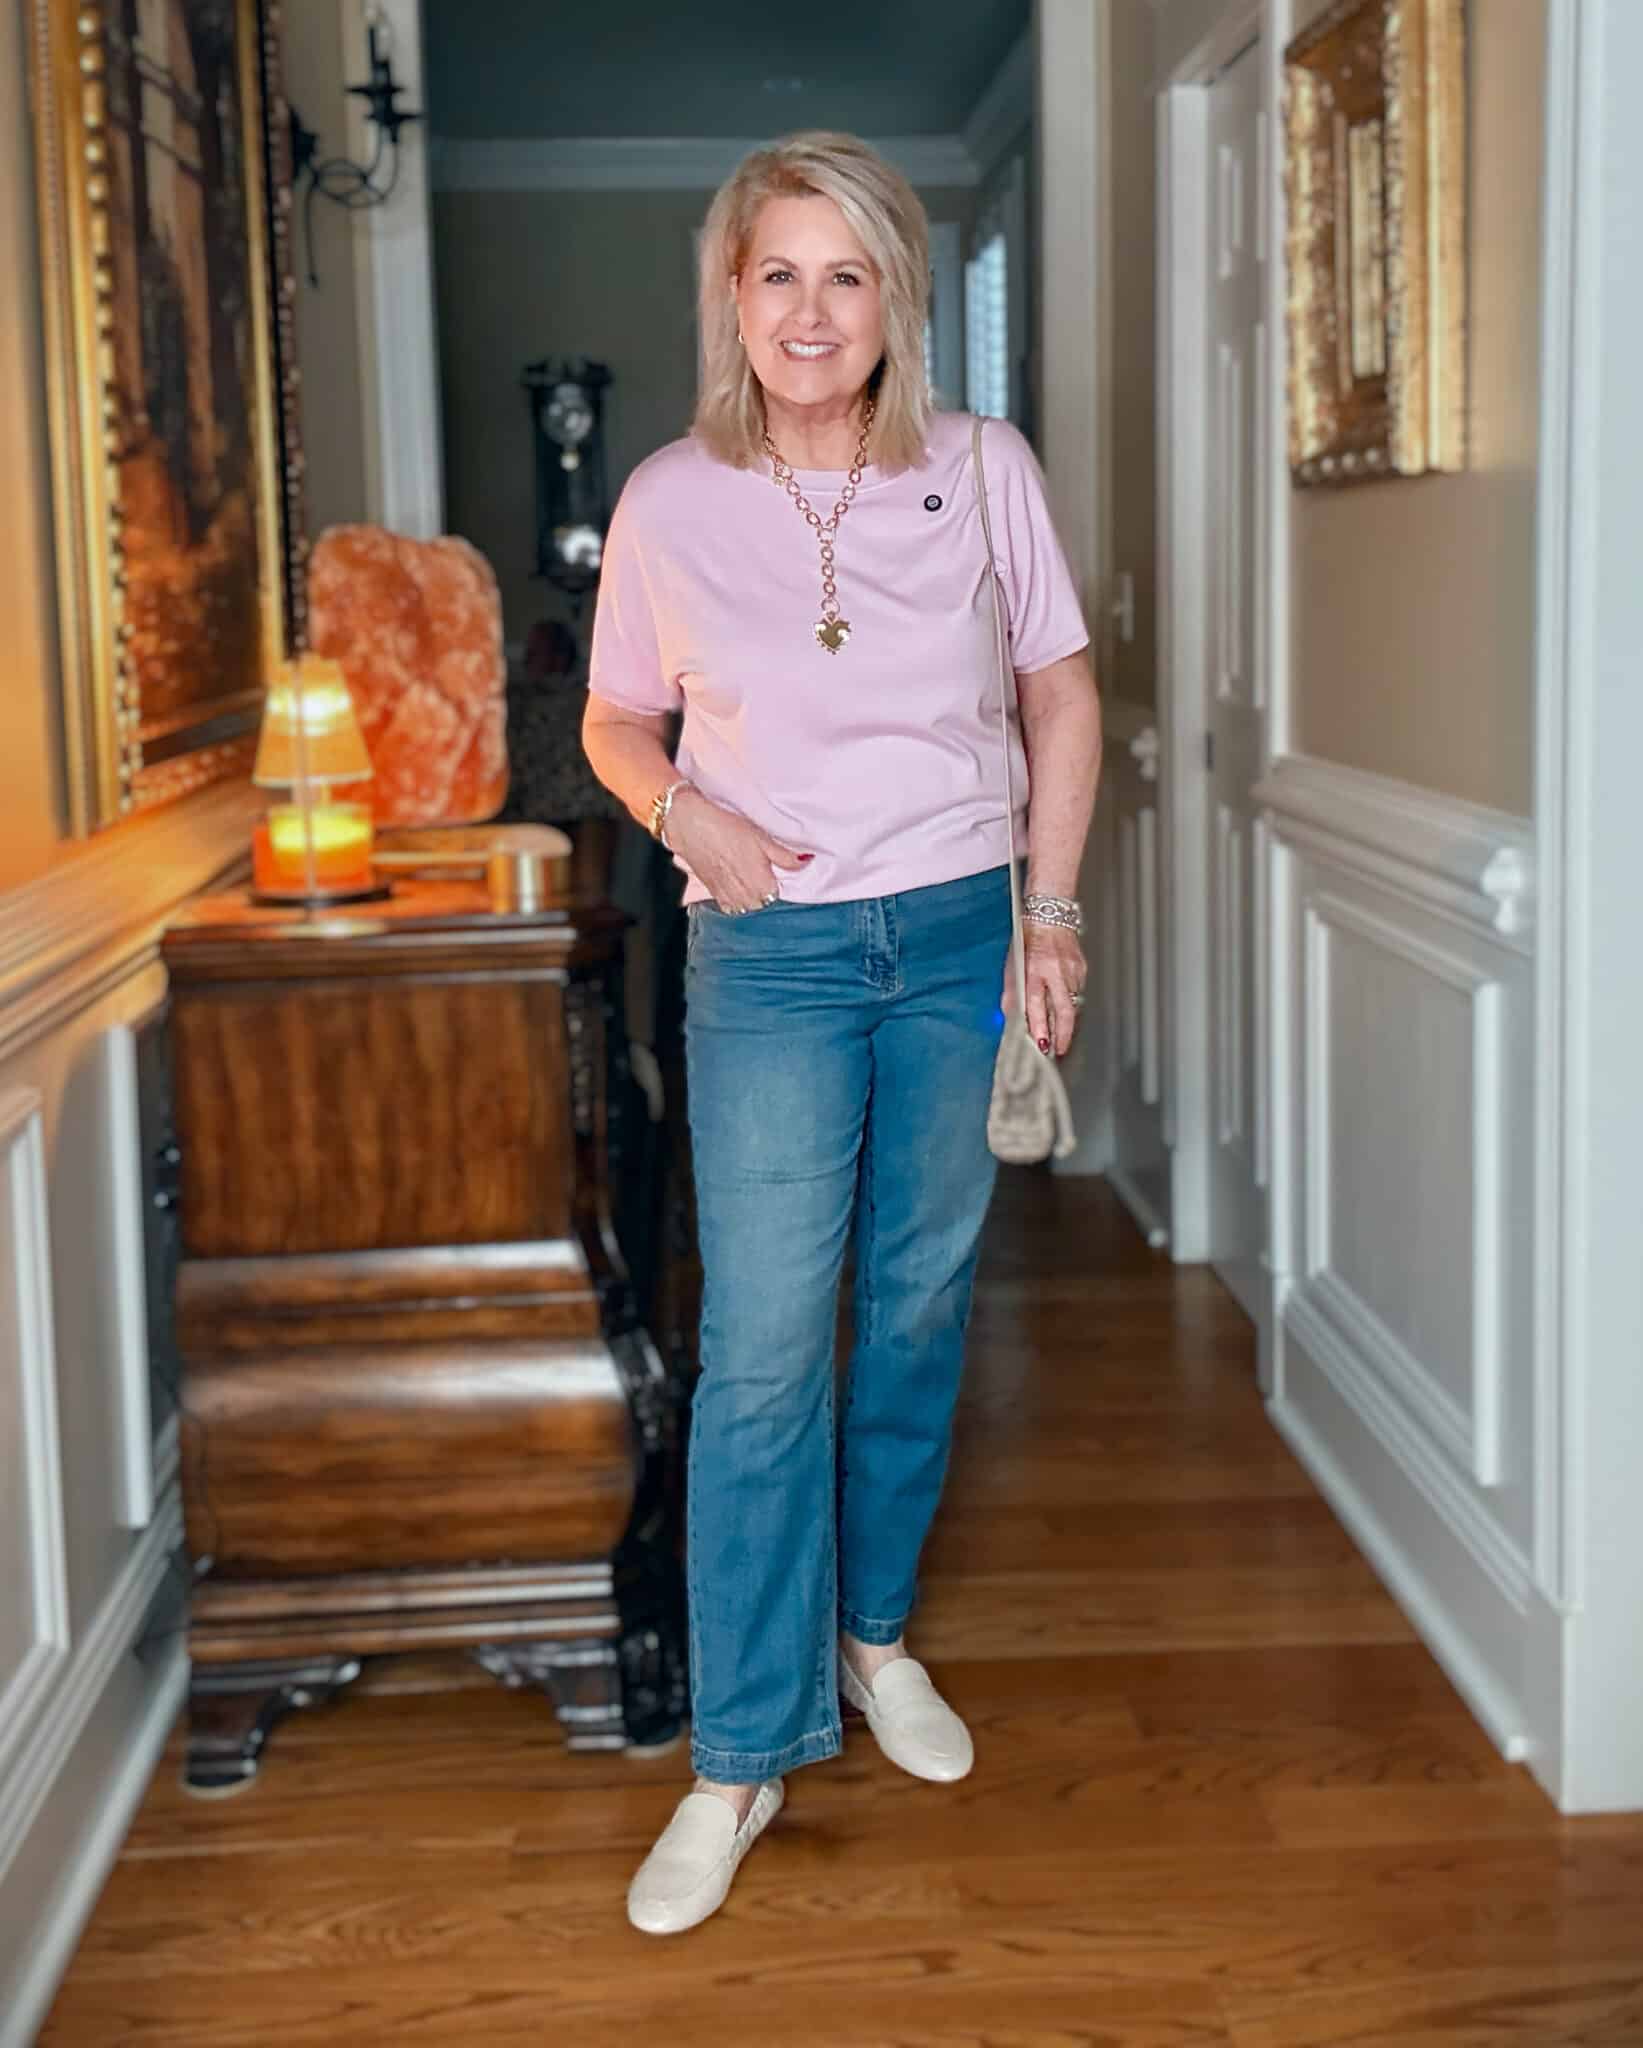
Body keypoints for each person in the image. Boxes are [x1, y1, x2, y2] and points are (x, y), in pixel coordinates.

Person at [581, 129, 1102, 1937]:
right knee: (763, 1355)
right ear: (734, 298)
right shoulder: (665, 498)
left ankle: (875, 1641)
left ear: (897, 299)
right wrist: (684, 821)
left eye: (849, 273)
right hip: (775, 955)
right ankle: (739, 1756)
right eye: (779, 273)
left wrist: (1050, 913)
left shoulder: (983, 469)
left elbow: (1058, 690)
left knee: (917, 1307)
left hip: (958, 933)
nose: (813, 310)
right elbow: (613, 722)